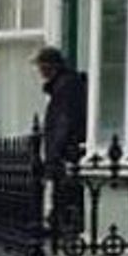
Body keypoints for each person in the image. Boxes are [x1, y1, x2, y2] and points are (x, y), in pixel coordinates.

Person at [35, 46, 87, 236]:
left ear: (51, 67)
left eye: (41, 66)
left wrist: (53, 156)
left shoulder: (65, 88)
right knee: (63, 194)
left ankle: (66, 230)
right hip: (65, 151)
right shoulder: (62, 87)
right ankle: (62, 225)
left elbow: (63, 124)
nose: (39, 71)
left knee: (66, 194)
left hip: (66, 153)